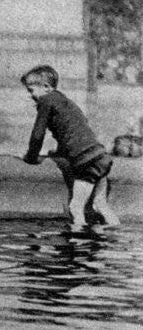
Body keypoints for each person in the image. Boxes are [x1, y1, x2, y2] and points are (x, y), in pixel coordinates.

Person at [20, 65, 119, 226]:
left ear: (46, 87)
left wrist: (31, 157)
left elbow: (37, 134)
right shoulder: (66, 102)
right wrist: (57, 152)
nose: (30, 96)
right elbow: (73, 134)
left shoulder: (45, 101)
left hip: (86, 162)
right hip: (100, 156)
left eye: (31, 90)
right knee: (100, 205)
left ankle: (78, 245)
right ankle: (116, 238)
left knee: (75, 208)